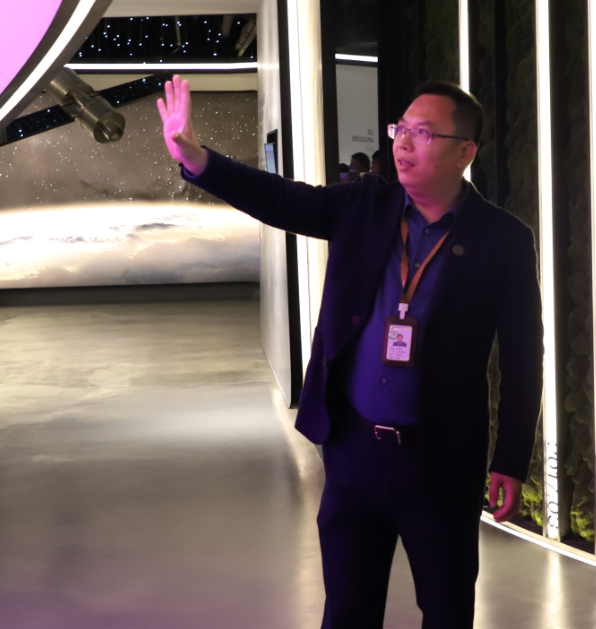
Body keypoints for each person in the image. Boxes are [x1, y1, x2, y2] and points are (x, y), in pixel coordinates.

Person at [158, 76, 543, 629]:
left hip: (439, 460)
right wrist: (198, 159)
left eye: (423, 133)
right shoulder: (366, 204)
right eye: (400, 129)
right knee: (347, 611)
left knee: (447, 609)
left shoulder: (502, 239)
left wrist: (510, 458)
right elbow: (284, 200)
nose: (403, 142)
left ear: (465, 152)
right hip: (353, 450)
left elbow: (525, 357)